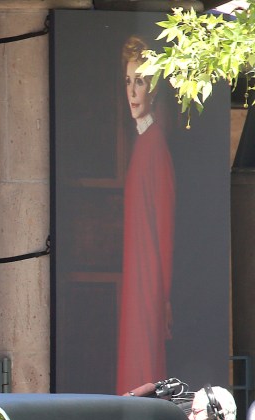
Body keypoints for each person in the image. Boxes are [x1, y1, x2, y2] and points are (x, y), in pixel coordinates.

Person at [115, 35, 176, 395]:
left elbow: (164, 228)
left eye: (140, 81)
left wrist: (162, 293)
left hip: (148, 277)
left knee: (142, 361)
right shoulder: (144, 142)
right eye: (127, 81)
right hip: (139, 273)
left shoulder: (154, 147)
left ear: (153, 87)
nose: (132, 91)